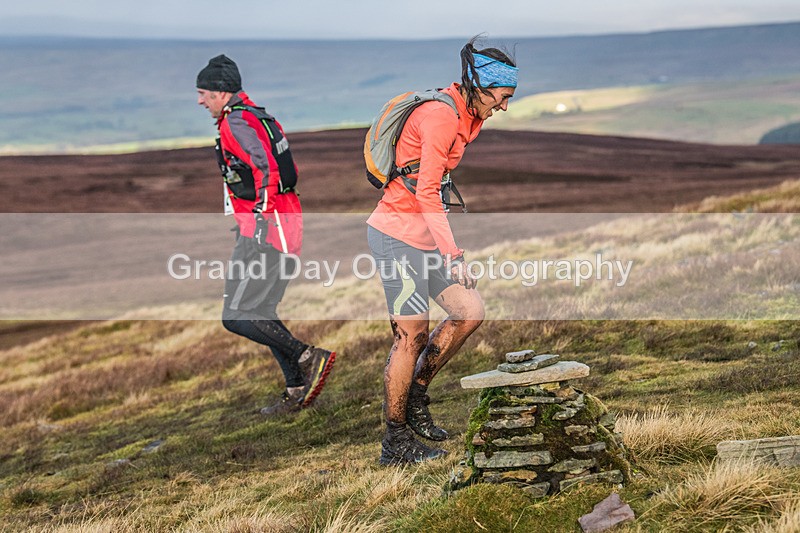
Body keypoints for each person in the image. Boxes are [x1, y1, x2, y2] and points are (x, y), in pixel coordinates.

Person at [366, 38, 517, 465]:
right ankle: (395, 442)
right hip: (395, 236)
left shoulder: (467, 117)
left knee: (469, 310)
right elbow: (427, 192)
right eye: (503, 97)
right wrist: (454, 254)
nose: (505, 106)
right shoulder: (440, 116)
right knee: (410, 335)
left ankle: (415, 397)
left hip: (423, 239)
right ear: (481, 86)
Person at [196, 54, 335, 416]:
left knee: (236, 314)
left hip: (267, 232)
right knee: (261, 310)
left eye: (204, 94)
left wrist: (257, 222)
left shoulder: (236, 124)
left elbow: (266, 169)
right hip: (283, 226)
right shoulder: (255, 115)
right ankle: (296, 388)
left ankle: (309, 357)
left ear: (222, 93)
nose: (200, 101)